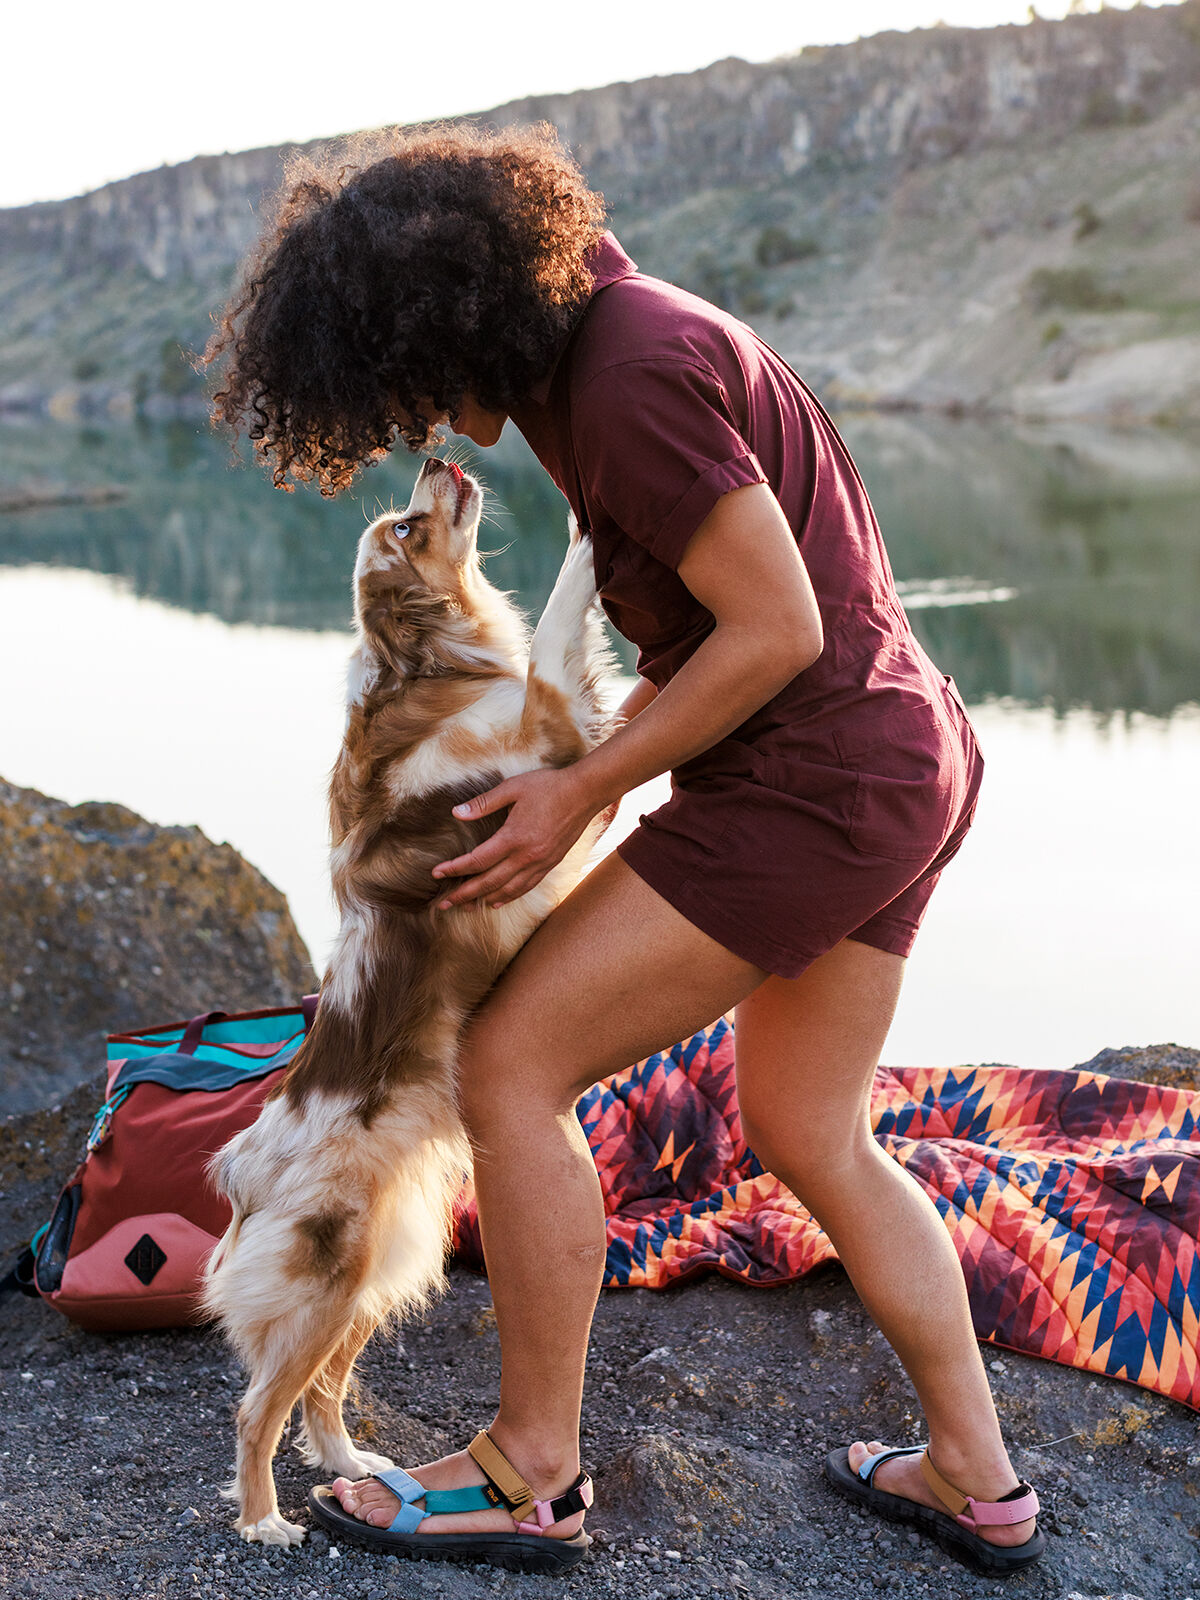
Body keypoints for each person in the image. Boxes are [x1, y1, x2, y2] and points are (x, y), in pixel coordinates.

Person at [207, 123, 1042, 1577]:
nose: (426, 428)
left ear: (439, 323)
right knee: (807, 1127)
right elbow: (720, 625)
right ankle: (976, 1477)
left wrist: (584, 780)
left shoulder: (627, 377)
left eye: (405, 386)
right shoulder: (622, 341)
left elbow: (776, 632)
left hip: (814, 783)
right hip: (899, 756)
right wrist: (587, 792)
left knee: (509, 1066)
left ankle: (532, 1470)